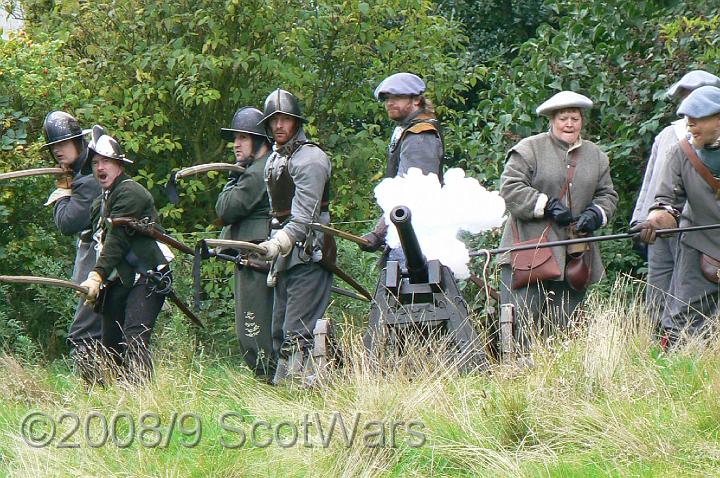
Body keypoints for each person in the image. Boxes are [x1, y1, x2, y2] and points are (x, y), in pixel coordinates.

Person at [498, 91, 618, 354]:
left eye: (574, 118)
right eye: (563, 118)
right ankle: (516, 378)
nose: (569, 124)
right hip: (531, 250)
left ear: (582, 121)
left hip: (576, 253)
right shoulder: (529, 149)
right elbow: (510, 189)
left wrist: (596, 213)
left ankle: (557, 380)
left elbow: (607, 194)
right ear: (552, 120)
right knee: (522, 324)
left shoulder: (596, 156)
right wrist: (546, 205)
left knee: (565, 326)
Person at [79, 126, 173, 383]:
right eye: (96, 162)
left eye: (106, 161)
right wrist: (98, 286)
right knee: (110, 346)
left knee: (134, 336)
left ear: (119, 165)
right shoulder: (100, 202)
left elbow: (117, 241)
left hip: (148, 274)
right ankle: (122, 403)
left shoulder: (130, 192)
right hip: (120, 279)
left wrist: (96, 276)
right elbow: (101, 244)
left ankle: (145, 399)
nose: (100, 167)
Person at [630, 71, 720, 328]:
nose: (690, 126)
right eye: (688, 120)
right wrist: (654, 222)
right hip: (699, 244)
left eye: (697, 120)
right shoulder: (678, 151)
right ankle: (677, 366)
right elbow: (666, 202)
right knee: (681, 320)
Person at [256, 89, 333, 385]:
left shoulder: (310, 159)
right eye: (274, 120)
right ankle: (283, 389)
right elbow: (277, 214)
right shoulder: (274, 161)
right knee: (279, 329)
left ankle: (303, 389)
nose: (279, 125)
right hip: (286, 257)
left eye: (285, 119)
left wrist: (277, 243)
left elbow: (304, 218)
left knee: (297, 330)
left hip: (309, 251)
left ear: (296, 121)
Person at [41, 111, 103, 383]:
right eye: (54, 147)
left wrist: (61, 193)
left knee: (83, 334)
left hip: (102, 260)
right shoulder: (84, 170)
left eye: (63, 144)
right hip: (100, 259)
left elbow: (67, 223)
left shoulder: (89, 179)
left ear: (79, 143)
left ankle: (95, 392)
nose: (57, 151)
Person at [215, 107, 275, 381]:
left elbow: (225, 208)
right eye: (235, 137)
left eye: (244, 137)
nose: (236, 144)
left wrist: (233, 176)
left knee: (253, 325)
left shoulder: (256, 172)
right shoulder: (257, 168)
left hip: (256, 255)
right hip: (252, 255)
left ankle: (268, 379)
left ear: (261, 140)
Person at [359, 72, 444, 254]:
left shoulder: (419, 134)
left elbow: (412, 193)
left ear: (415, 100)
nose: (389, 103)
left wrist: (379, 233)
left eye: (397, 97)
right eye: (387, 98)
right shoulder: (407, 129)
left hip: (418, 237)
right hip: (406, 232)